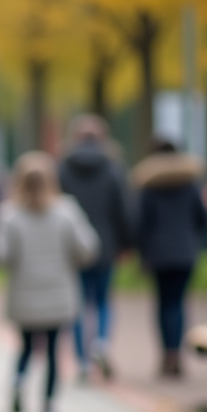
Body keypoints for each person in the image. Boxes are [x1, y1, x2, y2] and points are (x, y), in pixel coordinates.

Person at [0, 152, 99, 412]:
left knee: (26, 346)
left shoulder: (9, 214)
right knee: (52, 351)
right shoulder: (66, 211)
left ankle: (18, 381)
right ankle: (48, 406)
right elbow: (87, 247)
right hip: (58, 293)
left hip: (23, 294)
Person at [58, 115, 132, 381]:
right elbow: (123, 209)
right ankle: (100, 342)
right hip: (106, 244)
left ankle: (82, 362)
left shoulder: (63, 168)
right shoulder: (113, 168)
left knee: (78, 304)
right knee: (102, 301)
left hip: (72, 247)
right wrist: (126, 242)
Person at [133, 138, 207, 378]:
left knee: (163, 304)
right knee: (178, 303)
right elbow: (203, 218)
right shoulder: (191, 183)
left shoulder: (150, 186)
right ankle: (177, 353)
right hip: (185, 252)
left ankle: (167, 354)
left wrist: (142, 253)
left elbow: (141, 223)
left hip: (158, 254)